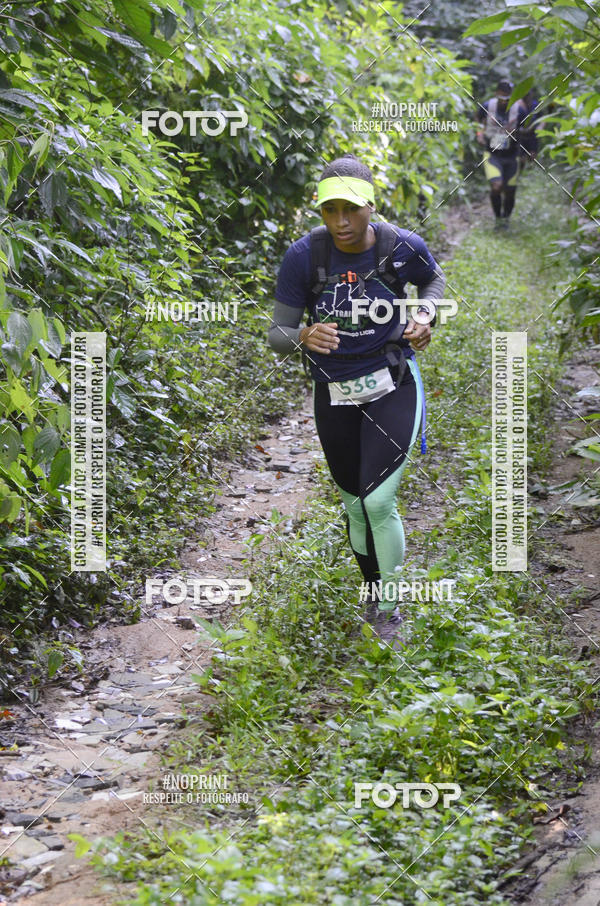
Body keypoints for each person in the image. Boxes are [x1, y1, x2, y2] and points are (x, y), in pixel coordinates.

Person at [268, 153, 446, 644]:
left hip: (393, 382)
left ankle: (390, 609)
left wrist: (426, 313)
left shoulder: (401, 247)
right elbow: (277, 334)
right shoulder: (305, 257)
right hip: (334, 391)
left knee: (379, 498)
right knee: (354, 505)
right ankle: (373, 592)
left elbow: (433, 281)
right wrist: (303, 335)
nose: (341, 222)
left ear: (370, 205)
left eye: (351, 209)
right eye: (330, 211)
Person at [476, 78, 524, 229]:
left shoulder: (519, 110)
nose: (504, 101)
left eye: (507, 98)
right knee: (497, 186)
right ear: (496, 94)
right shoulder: (487, 106)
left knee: (510, 191)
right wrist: (479, 133)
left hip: (512, 155)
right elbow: (477, 118)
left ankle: (506, 220)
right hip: (492, 154)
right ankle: (498, 219)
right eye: (501, 98)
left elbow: (528, 131)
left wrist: (528, 149)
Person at [516, 89, 540, 173]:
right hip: (520, 135)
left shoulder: (535, 105)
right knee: (521, 158)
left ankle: (530, 172)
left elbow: (543, 118)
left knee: (532, 156)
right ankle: (520, 172)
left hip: (533, 135)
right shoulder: (518, 105)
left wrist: (540, 128)